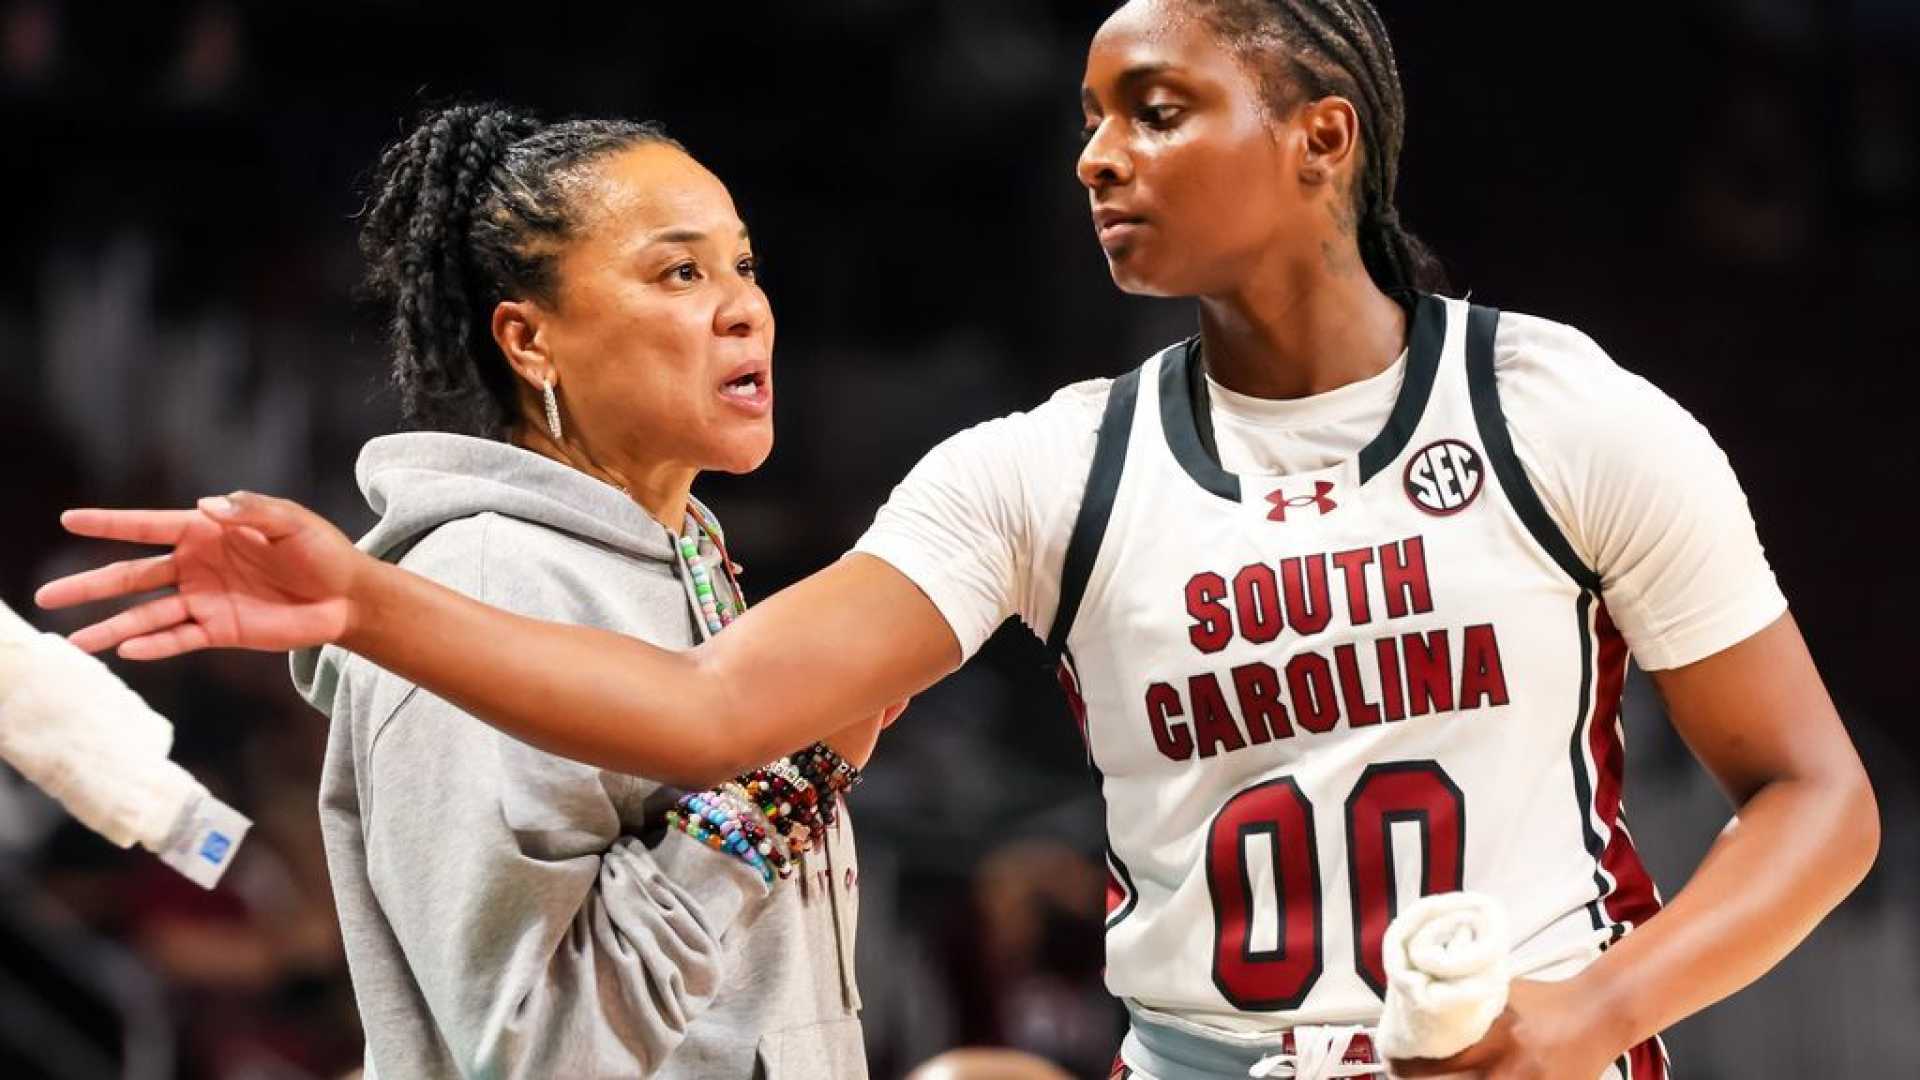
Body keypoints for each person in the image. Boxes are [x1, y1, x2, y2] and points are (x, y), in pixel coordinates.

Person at [42, 2, 1879, 1078]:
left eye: (1154, 113)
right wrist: (365, 600)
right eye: (1086, 119)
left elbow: (1819, 797)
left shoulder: (1558, 412)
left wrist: (1598, 1009)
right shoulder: (1032, 469)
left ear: (1324, 144)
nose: (1096, 156)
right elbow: (715, 725)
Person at [138, 101, 887, 1079]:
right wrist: (793, 779)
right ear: (530, 342)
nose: (745, 306)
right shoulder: (493, 582)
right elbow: (535, 1050)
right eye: (680, 272)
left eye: (742, 264)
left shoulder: (688, 555)